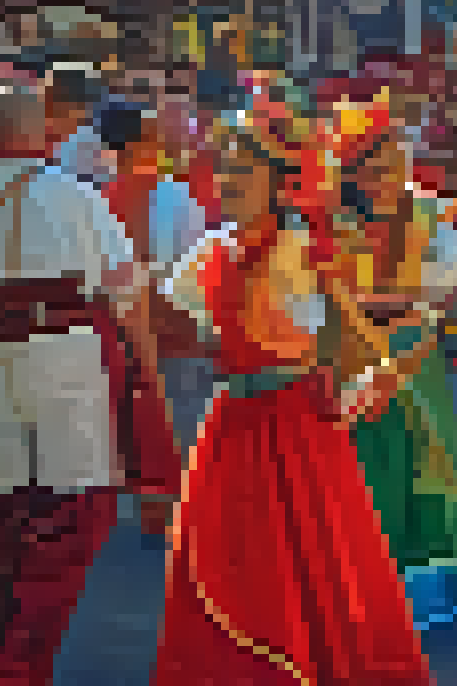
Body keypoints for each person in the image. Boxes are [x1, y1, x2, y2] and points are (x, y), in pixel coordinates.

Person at [0, 61, 180, 686]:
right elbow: (125, 295)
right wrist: (147, 375)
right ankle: (18, 667)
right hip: (66, 363)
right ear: (38, 133)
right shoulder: (72, 193)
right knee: (74, 513)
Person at [153, 102, 433, 684]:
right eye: (223, 169)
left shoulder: (311, 249)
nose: (227, 181)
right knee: (229, 559)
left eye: (241, 170)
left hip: (299, 427)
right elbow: (171, 320)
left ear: (280, 181)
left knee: (309, 562)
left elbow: (387, 332)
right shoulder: (210, 252)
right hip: (232, 426)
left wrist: (371, 379)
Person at [330, 100, 457, 630]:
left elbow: (446, 278)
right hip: (351, 350)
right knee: (359, 459)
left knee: (426, 456)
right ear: (352, 170)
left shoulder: (426, 214)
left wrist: (398, 305)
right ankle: (356, 583)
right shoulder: (330, 220)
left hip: (409, 352)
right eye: (373, 168)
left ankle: (425, 585)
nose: (384, 178)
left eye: (393, 167)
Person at [98, 107, 214, 462]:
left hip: (117, 344)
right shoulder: (178, 198)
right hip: (178, 340)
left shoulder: (94, 202)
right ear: (142, 144)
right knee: (186, 447)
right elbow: (201, 274)